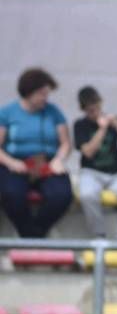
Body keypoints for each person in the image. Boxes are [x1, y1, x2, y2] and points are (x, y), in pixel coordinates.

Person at [0, 67, 72, 237]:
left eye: (47, 94)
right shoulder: (7, 113)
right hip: (17, 164)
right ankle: (31, 236)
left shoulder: (53, 112)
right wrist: (11, 162)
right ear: (28, 92)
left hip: (46, 163)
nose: (45, 99)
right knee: (11, 194)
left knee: (62, 195)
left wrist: (58, 160)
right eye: (41, 94)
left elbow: (66, 143)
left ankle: (33, 235)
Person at [74, 86, 117, 239]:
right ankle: (99, 235)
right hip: (91, 172)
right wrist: (102, 129)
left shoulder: (113, 121)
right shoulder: (80, 125)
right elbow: (88, 151)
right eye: (91, 110)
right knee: (87, 195)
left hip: (116, 173)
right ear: (83, 109)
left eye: (97, 107)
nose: (95, 112)